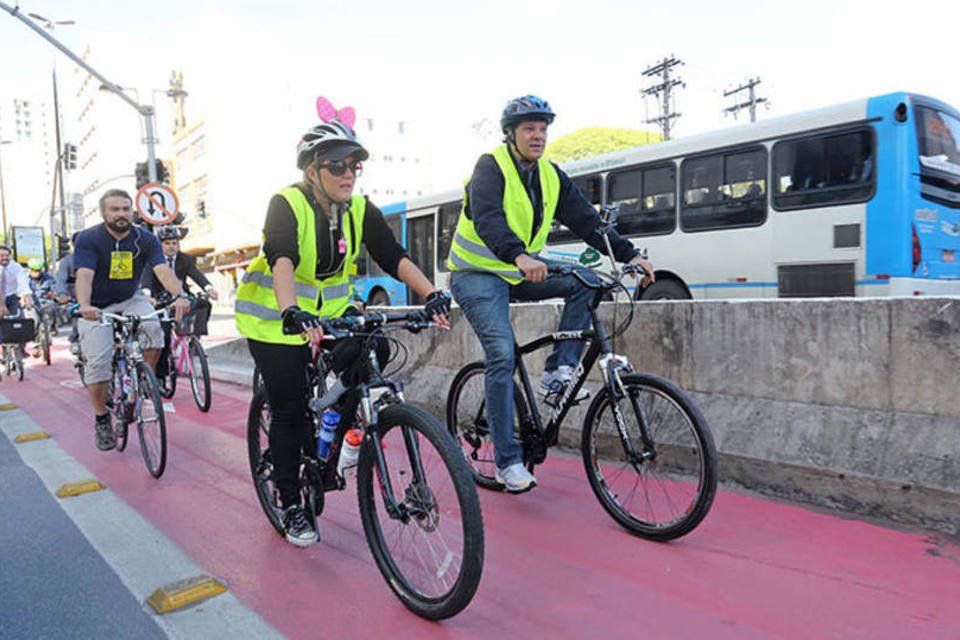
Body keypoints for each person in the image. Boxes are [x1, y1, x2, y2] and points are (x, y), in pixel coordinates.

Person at [235, 116, 451, 547]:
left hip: (332, 313)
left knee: (375, 353)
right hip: (274, 320)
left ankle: (336, 426)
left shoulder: (360, 209)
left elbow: (392, 255)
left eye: (354, 165)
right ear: (311, 170)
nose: (348, 174)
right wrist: (291, 311)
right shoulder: (287, 203)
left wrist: (431, 295)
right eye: (337, 166)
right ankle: (292, 500)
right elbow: (282, 259)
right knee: (291, 410)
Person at [447, 95, 654, 494]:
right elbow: (488, 218)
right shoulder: (490, 167)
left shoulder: (549, 175)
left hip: (518, 268)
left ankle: (559, 372)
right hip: (476, 274)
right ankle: (507, 462)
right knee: (502, 355)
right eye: (529, 129)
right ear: (511, 134)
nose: (538, 136)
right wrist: (519, 255)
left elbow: (587, 222)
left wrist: (630, 254)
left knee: (585, 280)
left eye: (543, 129)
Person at [74, 189, 190, 452]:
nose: (121, 214)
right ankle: (102, 417)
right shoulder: (89, 238)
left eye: (126, 209)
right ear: (104, 213)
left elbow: (162, 270)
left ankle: (141, 384)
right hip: (96, 305)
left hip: (130, 298)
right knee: (99, 363)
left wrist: (179, 295)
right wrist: (85, 306)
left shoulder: (145, 239)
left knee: (154, 329)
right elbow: (84, 275)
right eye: (115, 209)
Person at [141, 225, 218, 335]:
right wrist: (147, 295)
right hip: (160, 299)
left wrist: (209, 289)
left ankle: (195, 338)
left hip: (182, 297)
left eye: (174, 243)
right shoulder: (152, 259)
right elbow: (146, 278)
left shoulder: (185, 259)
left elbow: (196, 274)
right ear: (159, 245)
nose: (171, 247)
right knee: (164, 332)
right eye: (167, 243)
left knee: (204, 304)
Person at [54, 232, 81, 353]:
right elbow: (60, 280)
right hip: (75, 298)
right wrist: (62, 295)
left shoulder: (99, 258)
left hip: (96, 297)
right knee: (78, 317)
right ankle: (75, 340)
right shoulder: (67, 261)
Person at [26, 258, 56, 358]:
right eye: (34, 270)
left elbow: (55, 289)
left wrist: (52, 294)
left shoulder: (49, 278)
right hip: (33, 304)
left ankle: (52, 327)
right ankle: (35, 343)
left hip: (46, 302)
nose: (37, 273)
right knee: (34, 320)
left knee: (53, 308)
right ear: (29, 270)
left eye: (38, 270)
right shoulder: (25, 279)